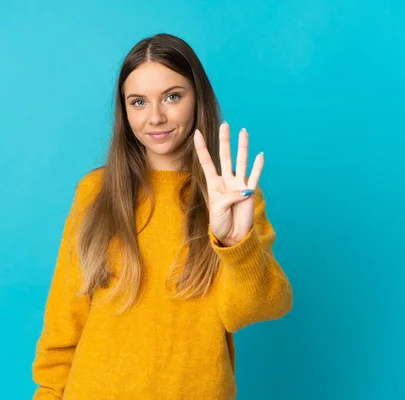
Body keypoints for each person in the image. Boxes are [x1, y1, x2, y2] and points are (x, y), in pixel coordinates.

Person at [31, 33, 293, 399]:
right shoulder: (96, 192)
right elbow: (63, 325)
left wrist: (235, 245)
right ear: (124, 111)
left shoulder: (233, 196)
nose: (155, 117)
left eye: (173, 96)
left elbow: (255, 309)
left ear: (197, 97)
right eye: (138, 102)